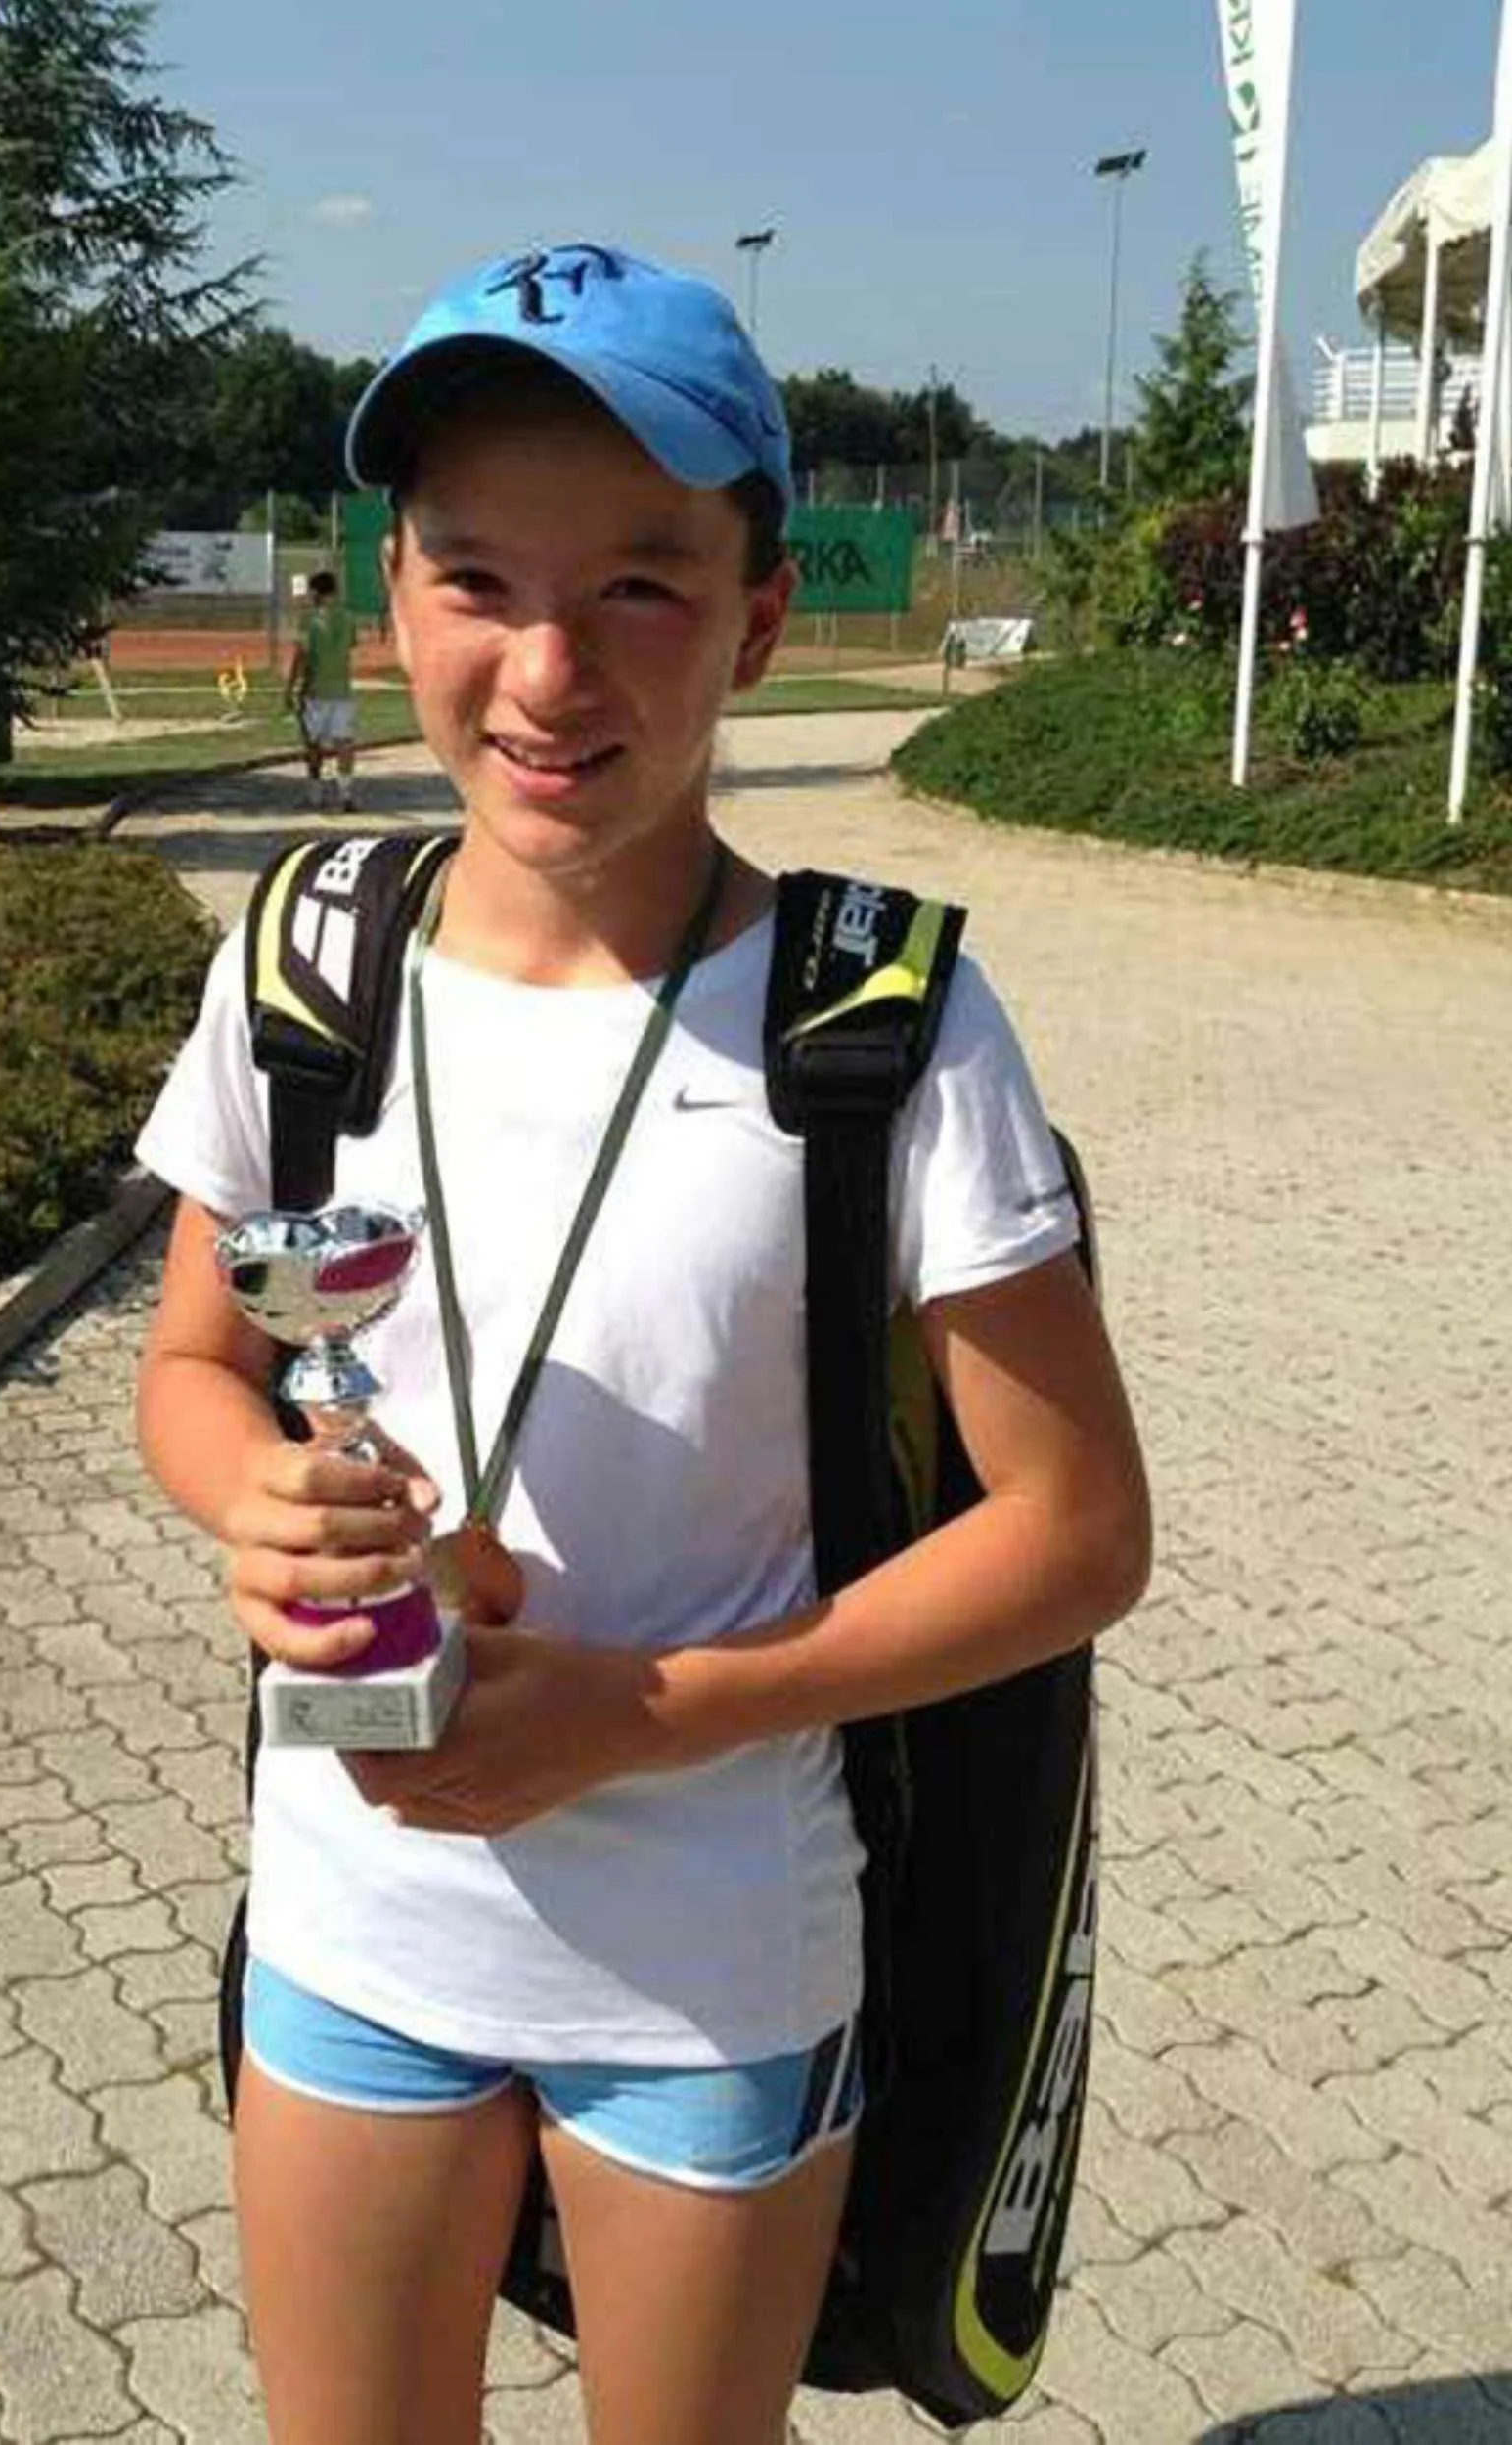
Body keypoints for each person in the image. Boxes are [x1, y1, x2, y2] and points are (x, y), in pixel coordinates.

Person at [134, 242, 1151, 2445]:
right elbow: (194, 1367)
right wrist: (263, 1506)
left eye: (642, 589)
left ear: (765, 618)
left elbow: (1078, 1531)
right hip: (354, 1935)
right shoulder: (304, 965)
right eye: (479, 576)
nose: (545, 665)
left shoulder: (881, 1025)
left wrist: (655, 1707)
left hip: (709, 1962)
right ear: (387, 594)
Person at [284, 566, 359, 810]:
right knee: (344, 743)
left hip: (315, 691)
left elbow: (301, 657)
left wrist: (289, 688)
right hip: (343, 690)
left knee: (313, 744)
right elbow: (350, 647)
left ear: (316, 591)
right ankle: (345, 794)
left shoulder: (309, 620)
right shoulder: (348, 618)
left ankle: (315, 795)